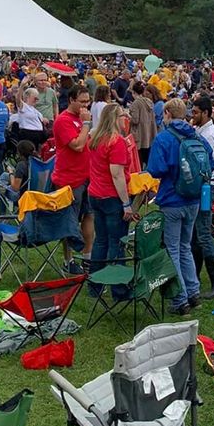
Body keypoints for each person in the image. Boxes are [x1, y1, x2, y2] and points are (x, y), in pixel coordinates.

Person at [146, 97, 207, 312]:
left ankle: (179, 299)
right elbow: (208, 160)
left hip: (172, 198)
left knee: (172, 248)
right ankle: (193, 292)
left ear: (167, 114)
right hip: (194, 198)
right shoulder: (196, 136)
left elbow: (156, 169)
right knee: (185, 246)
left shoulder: (164, 138)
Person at [83, 102, 133, 290]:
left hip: (95, 194)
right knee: (116, 242)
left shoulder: (95, 139)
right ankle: (118, 287)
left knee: (101, 240)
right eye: (123, 116)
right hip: (111, 197)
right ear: (115, 119)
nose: (125, 119)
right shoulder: (116, 142)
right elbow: (116, 174)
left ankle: (95, 285)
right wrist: (126, 203)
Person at [51, 87, 93, 270]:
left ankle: (88, 257)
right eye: (82, 102)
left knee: (89, 215)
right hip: (69, 178)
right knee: (69, 221)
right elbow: (77, 145)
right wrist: (86, 125)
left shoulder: (81, 119)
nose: (86, 105)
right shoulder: (63, 121)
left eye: (88, 101)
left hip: (87, 175)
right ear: (71, 100)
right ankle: (68, 260)